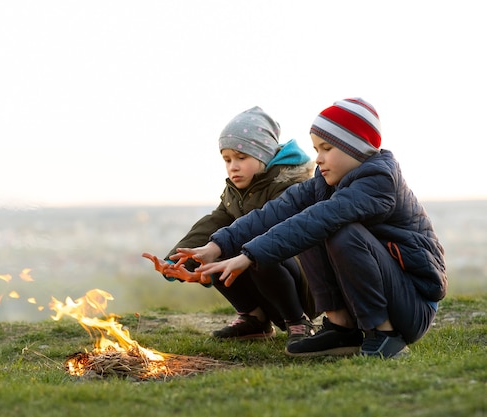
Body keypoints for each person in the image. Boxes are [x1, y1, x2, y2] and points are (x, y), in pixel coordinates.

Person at [177, 98, 447, 359]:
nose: (317, 158)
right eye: (316, 149)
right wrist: (217, 246)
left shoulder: (378, 180)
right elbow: (275, 211)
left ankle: (385, 335)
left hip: (413, 305)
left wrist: (248, 256)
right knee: (311, 220)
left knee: (335, 229)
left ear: (355, 148)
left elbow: (316, 220)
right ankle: (341, 328)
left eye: (326, 149)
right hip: (388, 294)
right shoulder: (325, 183)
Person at [143, 106, 318, 345]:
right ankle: (253, 318)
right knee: (217, 250)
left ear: (264, 155)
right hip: (263, 281)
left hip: (304, 280)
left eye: (241, 158)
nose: (232, 166)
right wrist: (179, 259)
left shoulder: (290, 186)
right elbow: (211, 225)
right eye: (227, 160)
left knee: (261, 250)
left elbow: (275, 229)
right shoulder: (235, 192)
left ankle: (298, 321)